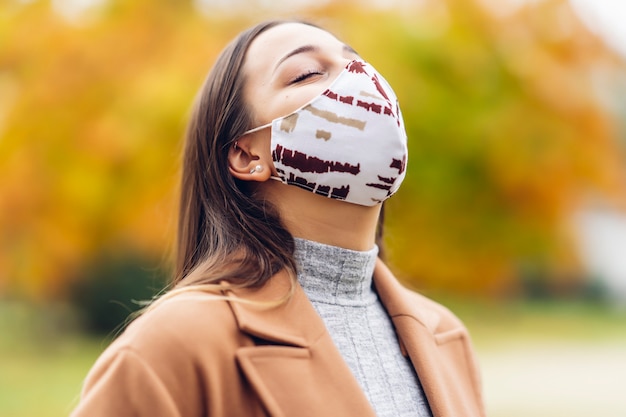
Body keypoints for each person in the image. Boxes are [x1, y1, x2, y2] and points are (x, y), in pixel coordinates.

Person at [70, 19, 485, 417]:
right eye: (306, 74)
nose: (360, 78)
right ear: (248, 155)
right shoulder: (173, 346)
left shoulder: (447, 336)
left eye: (356, 60)